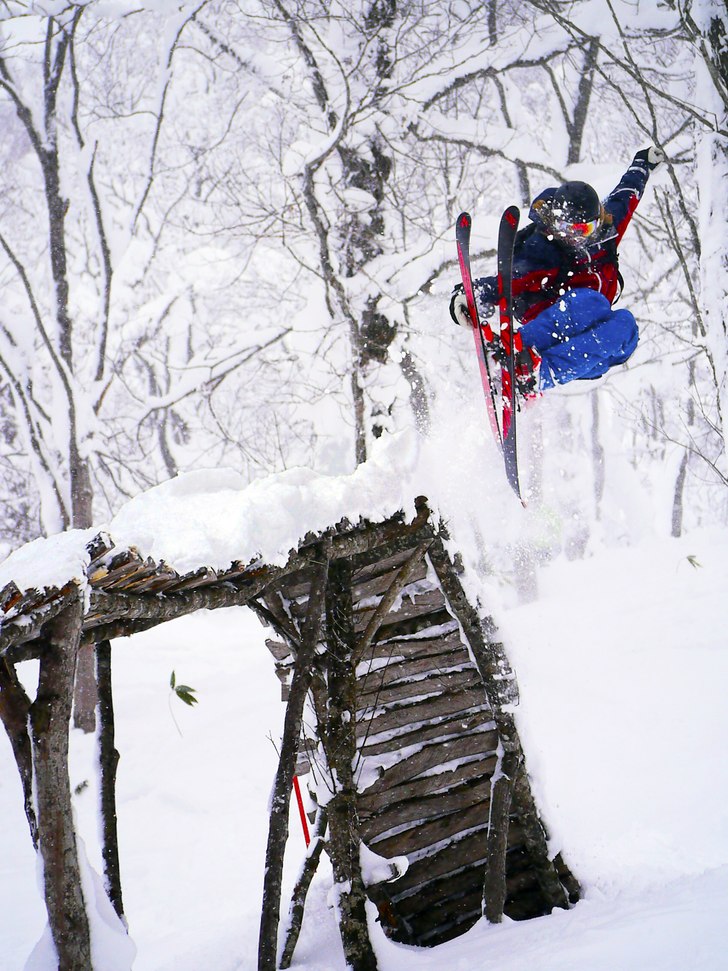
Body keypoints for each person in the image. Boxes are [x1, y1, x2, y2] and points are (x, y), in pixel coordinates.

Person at [450, 147, 665, 394]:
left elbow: (624, 197)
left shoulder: (606, 235)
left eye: (582, 231)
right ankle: (517, 352)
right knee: (591, 301)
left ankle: (535, 375)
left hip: (579, 354)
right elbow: (511, 280)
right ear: (555, 222)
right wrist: (470, 295)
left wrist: (642, 165)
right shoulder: (545, 248)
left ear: (595, 225)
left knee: (626, 327)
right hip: (549, 325)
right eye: (566, 228)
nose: (573, 238)